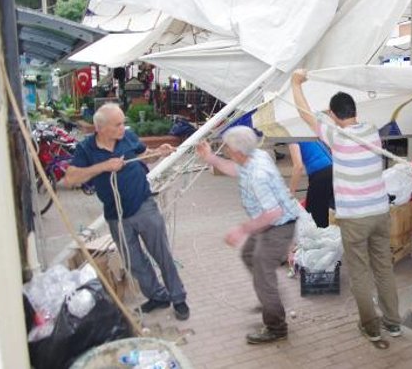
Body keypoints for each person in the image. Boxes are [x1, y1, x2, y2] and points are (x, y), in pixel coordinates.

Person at [291, 69, 402, 345]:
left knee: (360, 273)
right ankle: (393, 323)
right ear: (354, 111)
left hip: (355, 218)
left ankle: (371, 327)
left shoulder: (338, 137)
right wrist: (332, 115)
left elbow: (304, 113)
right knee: (383, 269)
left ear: (334, 115)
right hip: (380, 213)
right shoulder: (372, 132)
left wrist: (296, 83)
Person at [64, 103, 190, 321]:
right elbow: (71, 178)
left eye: (123, 123)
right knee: (134, 262)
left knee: (162, 254)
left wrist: (158, 153)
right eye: (118, 124)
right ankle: (158, 296)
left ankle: (178, 298)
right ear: (100, 128)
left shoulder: (128, 138)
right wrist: (103, 166)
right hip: (115, 215)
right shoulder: (86, 149)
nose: (124, 128)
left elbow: (145, 156)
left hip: (143, 206)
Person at [195, 126, 301, 344]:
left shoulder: (258, 174)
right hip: (269, 224)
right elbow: (236, 170)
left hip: (278, 226)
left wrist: (241, 229)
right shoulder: (254, 156)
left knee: (262, 272)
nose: (225, 151)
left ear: (238, 152)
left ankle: (276, 326)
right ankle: (269, 296)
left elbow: (273, 213)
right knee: (249, 256)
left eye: (227, 149)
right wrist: (211, 158)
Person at [288, 141, 335, 228]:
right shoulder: (308, 130)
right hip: (333, 168)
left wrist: (291, 193)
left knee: (316, 217)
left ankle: (321, 238)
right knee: (328, 210)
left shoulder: (292, 138)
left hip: (320, 173)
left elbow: (298, 166)